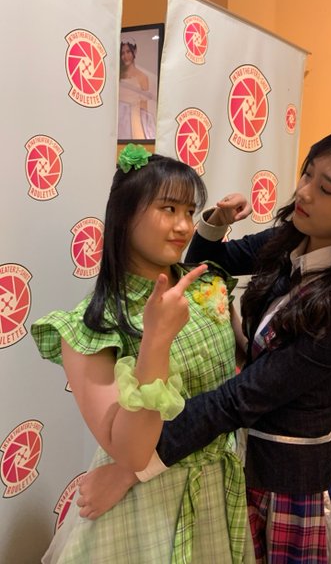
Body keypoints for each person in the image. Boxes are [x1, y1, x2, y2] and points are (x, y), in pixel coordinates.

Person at [78, 128, 331, 564]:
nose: (304, 192)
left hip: (288, 483)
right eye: (307, 174)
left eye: (326, 189)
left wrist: (133, 468)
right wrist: (214, 222)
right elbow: (208, 262)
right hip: (235, 459)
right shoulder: (290, 240)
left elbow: (242, 397)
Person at [31, 144, 255, 564]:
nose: (183, 226)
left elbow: (241, 373)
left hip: (217, 487)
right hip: (142, 508)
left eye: (189, 211)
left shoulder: (208, 287)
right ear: (125, 214)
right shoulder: (90, 325)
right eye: (168, 209)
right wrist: (156, 340)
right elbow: (131, 453)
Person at [118, 38, 156, 140]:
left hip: (133, 122)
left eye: (128, 52)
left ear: (134, 52)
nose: (125, 56)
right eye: (123, 53)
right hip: (118, 122)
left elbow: (144, 108)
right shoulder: (117, 76)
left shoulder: (142, 77)